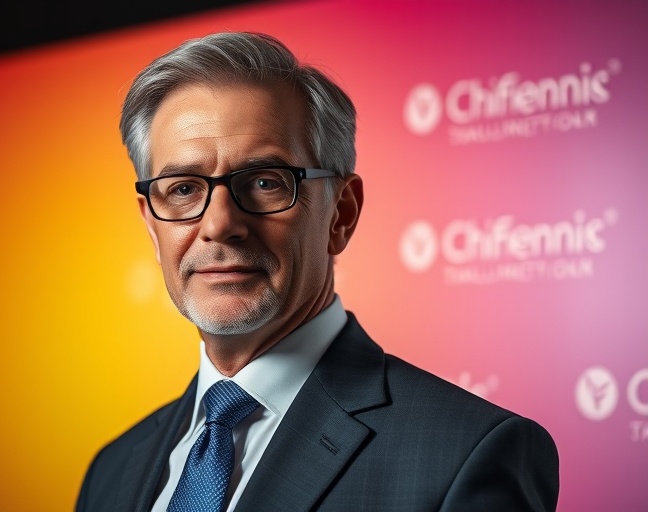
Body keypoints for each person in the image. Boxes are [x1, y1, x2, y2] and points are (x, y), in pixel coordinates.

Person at [76, 31, 559, 512]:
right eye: (182, 189)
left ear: (341, 213)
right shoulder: (113, 471)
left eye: (265, 182)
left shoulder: (468, 455)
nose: (220, 224)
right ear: (150, 223)